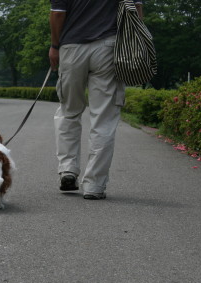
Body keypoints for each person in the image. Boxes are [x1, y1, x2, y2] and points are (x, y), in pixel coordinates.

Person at [49, 0, 143, 200]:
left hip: (72, 47)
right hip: (109, 47)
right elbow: (136, 11)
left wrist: (55, 46)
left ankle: (68, 169)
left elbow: (58, 13)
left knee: (69, 111)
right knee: (103, 119)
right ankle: (94, 184)